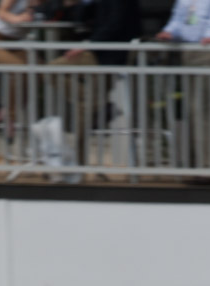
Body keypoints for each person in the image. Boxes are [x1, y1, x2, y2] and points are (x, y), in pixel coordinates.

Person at [48, 0, 144, 167]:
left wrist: (88, 45)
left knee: (51, 70)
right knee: (85, 106)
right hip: (98, 52)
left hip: (107, 56)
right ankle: (79, 162)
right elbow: (81, 21)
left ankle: (79, 163)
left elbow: (116, 25)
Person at [156, 0, 210, 182]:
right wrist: (170, 31)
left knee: (209, 109)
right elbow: (180, 15)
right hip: (189, 48)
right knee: (194, 109)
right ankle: (198, 165)